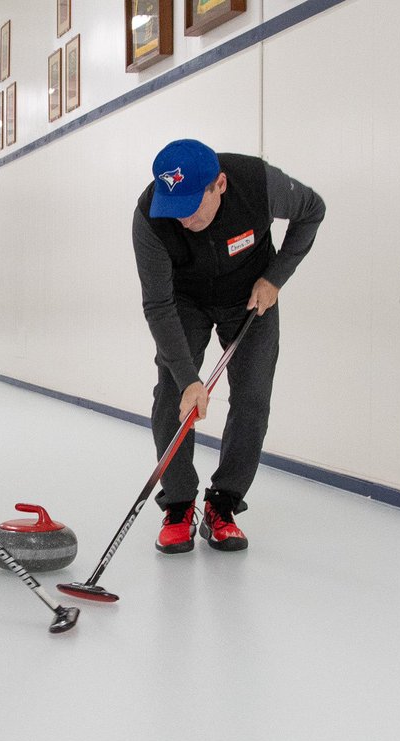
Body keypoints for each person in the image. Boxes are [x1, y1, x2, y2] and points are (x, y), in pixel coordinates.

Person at [132, 139, 325, 554]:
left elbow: (313, 210)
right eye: (173, 208)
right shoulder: (150, 217)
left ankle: (224, 504)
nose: (181, 219)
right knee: (172, 395)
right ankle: (180, 504)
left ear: (219, 184)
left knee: (253, 397)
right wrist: (188, 380)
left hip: (251, 295)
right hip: (184, 301)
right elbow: (158, 305)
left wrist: (276, 277)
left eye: (189, 206)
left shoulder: (259, 184)